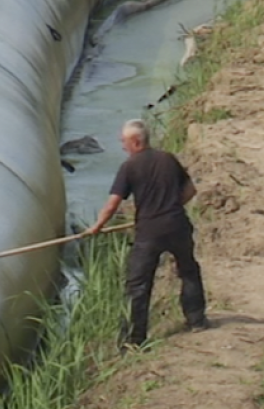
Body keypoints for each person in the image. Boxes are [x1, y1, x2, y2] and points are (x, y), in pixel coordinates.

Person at [86, 119, 208, 346]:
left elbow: (113, 203)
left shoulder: (129, 167)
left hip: (149, 232)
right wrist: (171, 206)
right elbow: (190, 189)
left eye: (123, 141)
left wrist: (97, 227)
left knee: (138, 285)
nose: (122, 145)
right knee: (189, 271)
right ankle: (197, 320)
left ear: (135, 141)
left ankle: (134, 340)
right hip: (177, 224)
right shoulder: (168, 159)